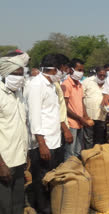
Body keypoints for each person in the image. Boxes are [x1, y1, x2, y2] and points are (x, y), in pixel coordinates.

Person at [26, 54, 63, 213]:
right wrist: (41, 144)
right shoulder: (36, 85)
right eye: (62, 70)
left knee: (49, 178)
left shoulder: (51, 85)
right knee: (40, 180)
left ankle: (48, 205)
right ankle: (42, 209)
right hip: (43, 143)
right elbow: (34, 116)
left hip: (54, 140)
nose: (64, 73)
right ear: (54, 69)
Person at [0, 54, 28, 214]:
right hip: (4, 161)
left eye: (20, 74)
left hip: (19, 159)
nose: (18, 78)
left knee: (18, 203)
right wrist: (1, 165)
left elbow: (21, 126)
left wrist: (26, 155)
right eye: (14, 74)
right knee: (4, 206)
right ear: (4, 74)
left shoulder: (19, 94)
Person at [61, 58, 93, 161]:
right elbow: (64, 107)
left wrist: (86, 116)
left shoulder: (80, 84)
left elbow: (81, 102)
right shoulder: (66, 84)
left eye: (82, 70)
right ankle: (68, 174)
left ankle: (76, 172)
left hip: (80, 123)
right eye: (79, 70)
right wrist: (80, 118)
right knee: (70, 152)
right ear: (71, 70)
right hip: (71, 123)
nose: (81, 73)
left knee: (78, 150)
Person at [83, 67, 108, 148]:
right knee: (88, 138)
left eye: (104, 75)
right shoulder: (87, 81)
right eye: (100, 75)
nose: (102, 77)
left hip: (101, 116)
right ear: (96, 73)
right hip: (89, 115)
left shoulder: (107, 83)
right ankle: (89, 156)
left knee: (99, 139)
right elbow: (81, 97)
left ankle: (97, 156)